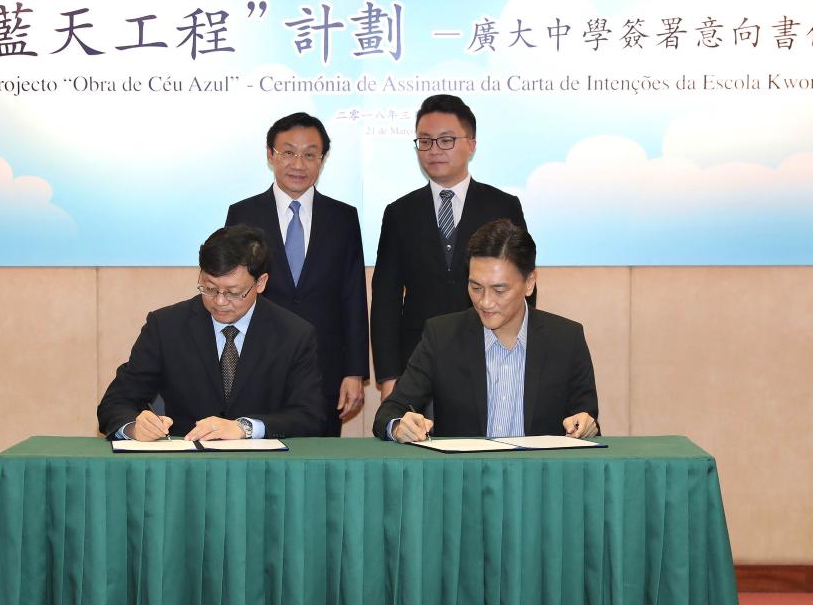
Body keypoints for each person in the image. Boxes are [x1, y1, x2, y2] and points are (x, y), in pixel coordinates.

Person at [373, 219, 598, 442]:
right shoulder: (442, 336)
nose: (485, 302)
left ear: (529, 282)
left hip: (537, 466)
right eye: (476, 287)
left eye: (499, 290)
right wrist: (398, 426)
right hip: (464, 466)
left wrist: (585, 425)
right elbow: (389, 412)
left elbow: (586, 420)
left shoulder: (566, 340)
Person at [98, 225, 326, 441]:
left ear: (260, 283)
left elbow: (310, 416)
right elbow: (115, 402)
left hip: (262, 463)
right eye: (209, 288)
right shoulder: (166, 326)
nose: (219, 301)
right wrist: (134, 427)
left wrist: (245, 428)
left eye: (233, 292)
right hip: (187, 460)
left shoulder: (293, 334)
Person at [370, 94, 528, 399]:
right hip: (419, 360)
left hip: (491, 353)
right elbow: (386, 297)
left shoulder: (503, 206)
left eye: (446, 140)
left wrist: (518, 350)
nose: (434, 150)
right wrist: (389, 375)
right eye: (425, 141)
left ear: (471, 144)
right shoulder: (399, 213)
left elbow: (521, 287)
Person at [226, 112, 368, 436]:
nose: (298, 164)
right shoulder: (243, 214)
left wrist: (354, 372)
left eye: (309, 155)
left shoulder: (343, 217)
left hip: (324, 368)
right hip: (256, 363)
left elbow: (353, 297)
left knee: (319, 461)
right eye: (288, 152)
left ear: (322, 159)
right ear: (270, 155)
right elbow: (231, 293)